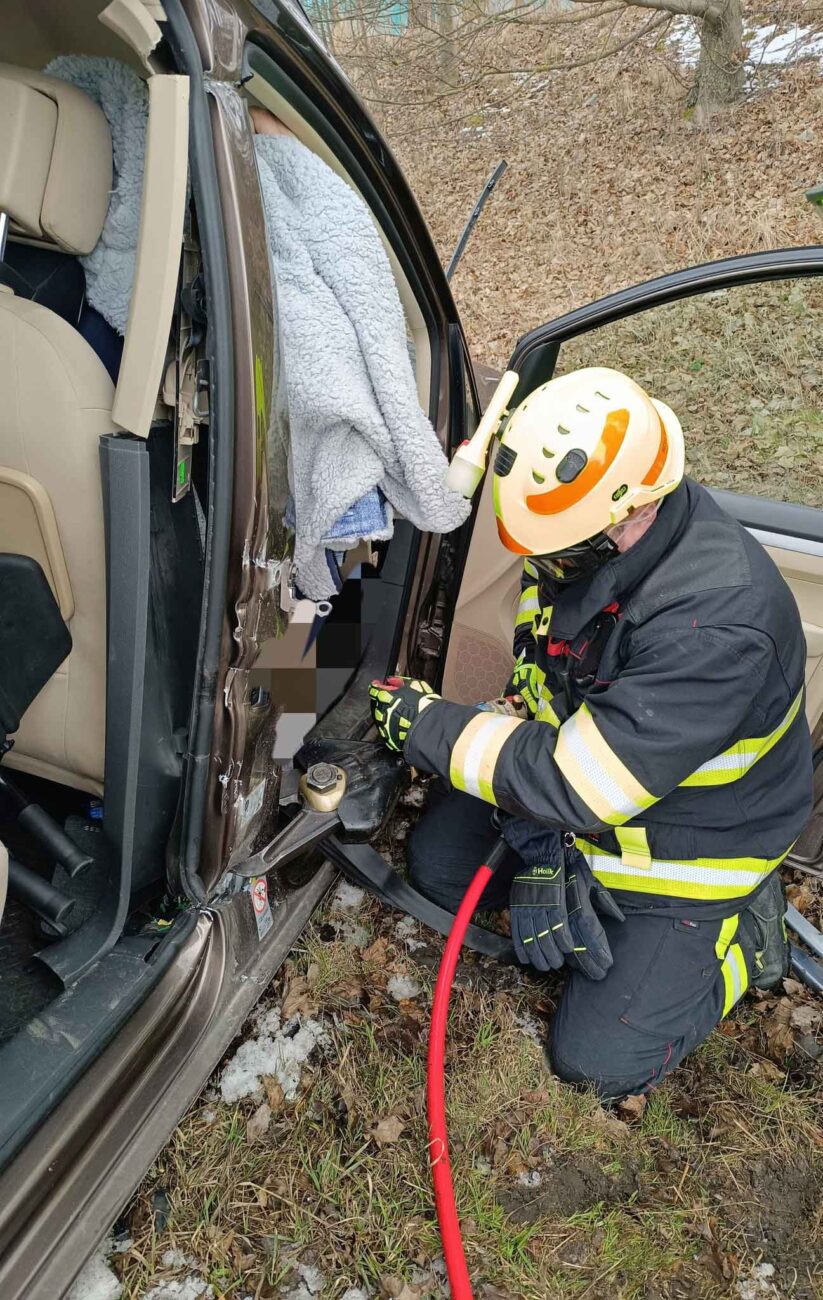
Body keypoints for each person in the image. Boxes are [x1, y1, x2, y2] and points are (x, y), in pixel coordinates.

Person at [368, 366, 813, 1101]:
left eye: (558, 554)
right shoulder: (589, 548)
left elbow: (578, 785)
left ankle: (743, 938)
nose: (541, 567)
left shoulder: (713, 627)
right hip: (597, 785)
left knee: (595, 1062)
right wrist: (542, 843)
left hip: (689, 845)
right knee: (438, 872)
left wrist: (426, 726)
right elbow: (547, 687)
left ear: (629, 511)